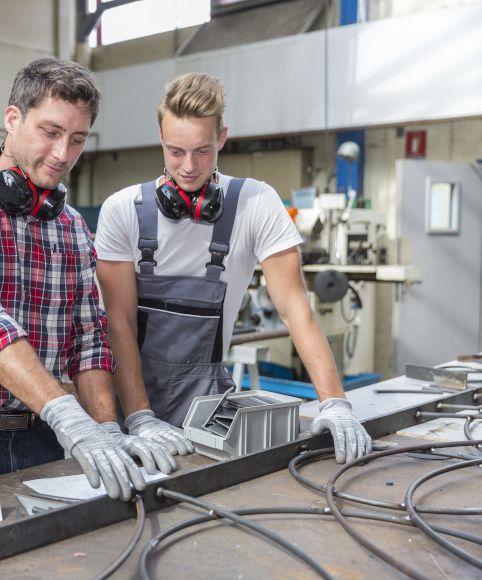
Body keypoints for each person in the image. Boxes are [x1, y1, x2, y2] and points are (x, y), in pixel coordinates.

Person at [0, 58, 175, 502]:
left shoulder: (70, 225)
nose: (62, 155)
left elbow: (88, 338)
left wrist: (107, 429)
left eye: (77, 139)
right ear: (13, 119)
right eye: (50, 133)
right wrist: (74, 422)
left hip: (49, 437)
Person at [94, 73, 372, 464]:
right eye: (175, 152)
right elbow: (118, 321)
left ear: (222, 137)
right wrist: (140, 418)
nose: (188, 167)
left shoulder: (256, 203)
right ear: (160, 137)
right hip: (128, 406)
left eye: (202, 151)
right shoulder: (123, 210)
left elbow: (296, 309)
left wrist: (335, 402)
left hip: (209, 413)